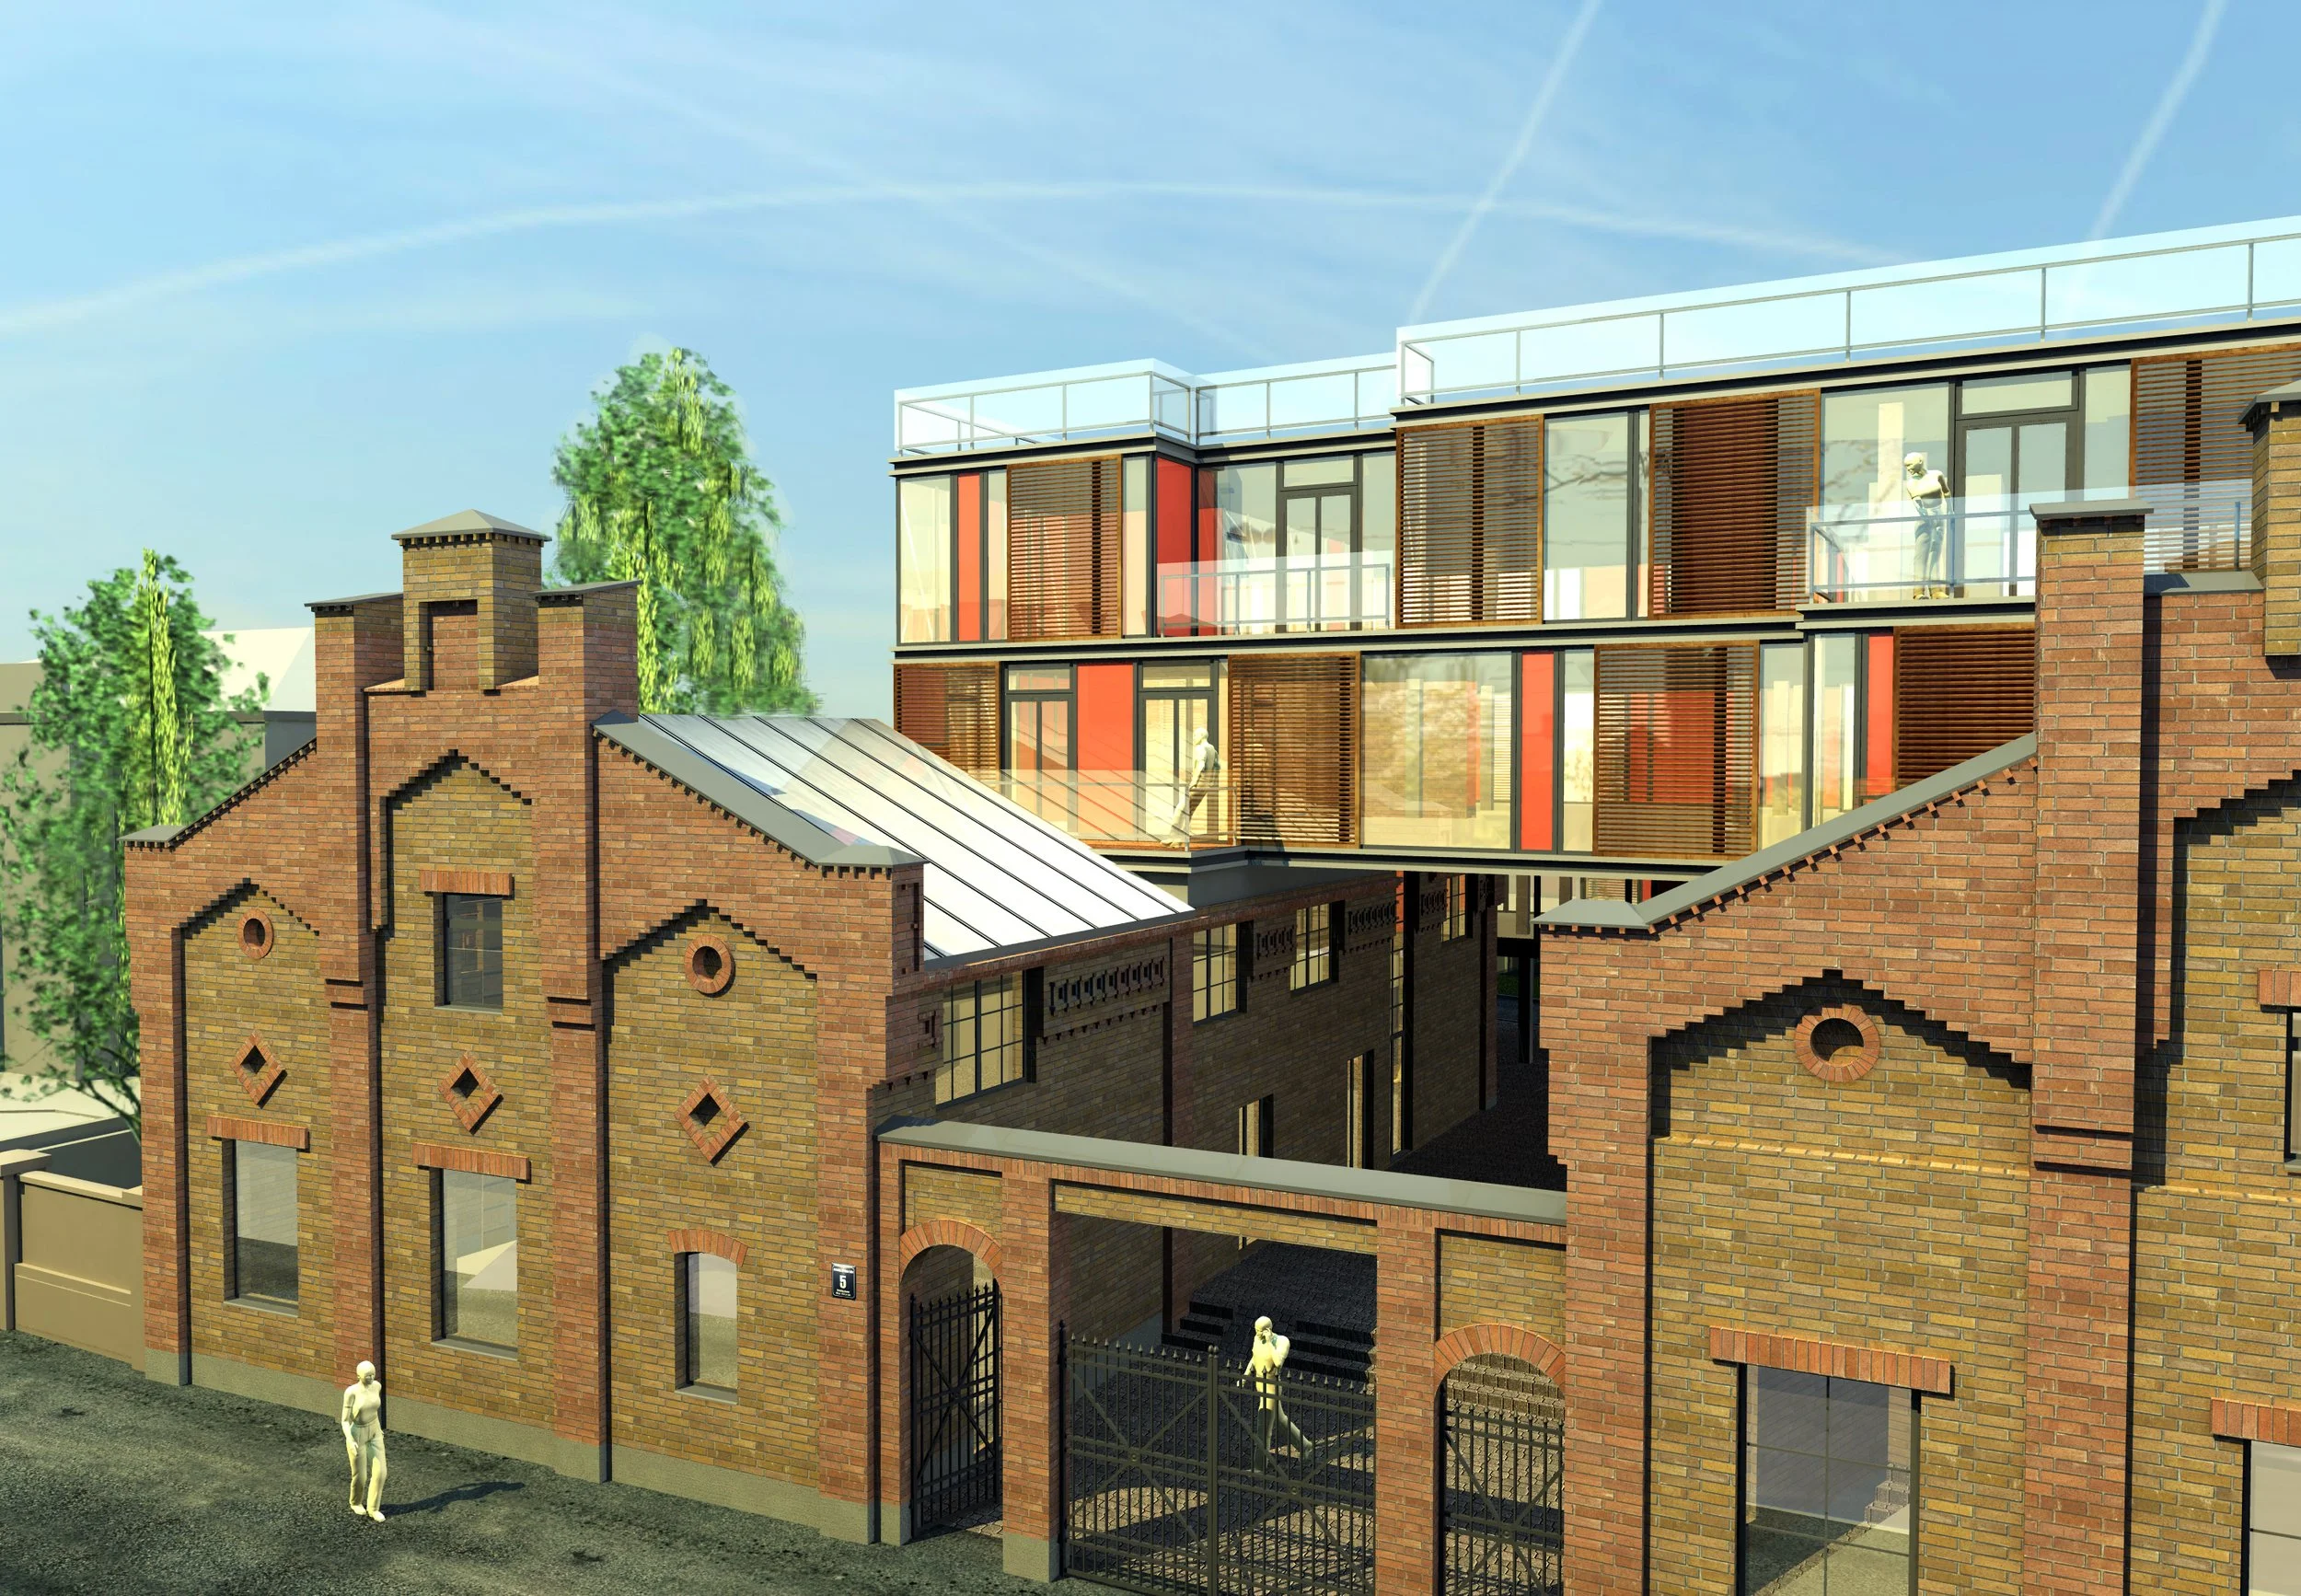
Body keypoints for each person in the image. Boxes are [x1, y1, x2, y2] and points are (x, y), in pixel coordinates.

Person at [1245, 1316, 1311, 1466]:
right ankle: (1306, 1446)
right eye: (1256, 1331)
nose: (1257, 1334)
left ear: (1268, 1330)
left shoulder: (1282, 1342)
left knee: (1263, 1429)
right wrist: (1245, 1376)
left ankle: (1260, 1466)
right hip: (1260, 1386)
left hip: (1271, 1388)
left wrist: (1268, 1342)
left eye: (1260, 1331)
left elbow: (1278, 1362)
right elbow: (1254, 1357)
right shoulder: (1257, 1338)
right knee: (1281, 1421)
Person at [341, 1359, 387, 1522]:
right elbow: (344, 1421)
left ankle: (373, 1508)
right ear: (358, 1375)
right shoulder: (351, 1392)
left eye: (373, 1374)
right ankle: (355, 1502)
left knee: (381, 1472)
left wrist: (378, 1428)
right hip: (357, 1433)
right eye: (367, 1375)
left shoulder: (377, 1386)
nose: (371, 1378)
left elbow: (375, 1410)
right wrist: (350, 1438)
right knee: (361, 1475)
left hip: (374, 1430)